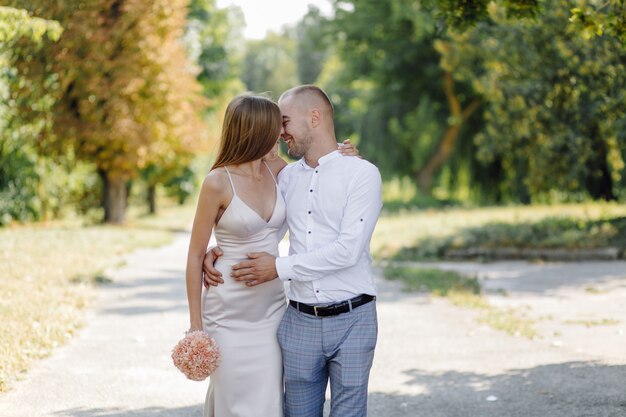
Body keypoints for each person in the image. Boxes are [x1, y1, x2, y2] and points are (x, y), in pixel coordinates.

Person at [203, 85, 382, 417]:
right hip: (299, 320)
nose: (279, 132)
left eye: (284, 122)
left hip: (354, 318)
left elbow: (348, 251)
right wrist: (220, 248)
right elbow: (258, 222)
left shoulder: (362, 174)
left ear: (314, 117)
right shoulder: (285, 177)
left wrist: (278, 268)